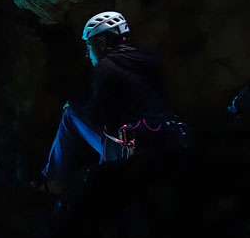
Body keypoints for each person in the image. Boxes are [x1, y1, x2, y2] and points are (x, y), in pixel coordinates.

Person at [42, 11, 173, 193]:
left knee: (71, 114)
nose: (88, 55)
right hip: (163, 141)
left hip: (131, 151)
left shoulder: (106, 67)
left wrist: (73, 104)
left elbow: (95, 116)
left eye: (89, 47)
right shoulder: (149, 57)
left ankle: (54, 182)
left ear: (102, 44)